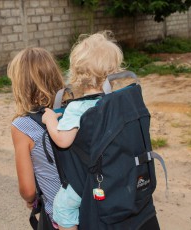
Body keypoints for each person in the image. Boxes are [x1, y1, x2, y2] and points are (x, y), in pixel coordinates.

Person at [42, 31, 124, 230]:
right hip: (114, 173)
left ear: (77, 73)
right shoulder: (116, 103)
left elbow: (63, 141)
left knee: (62, 206)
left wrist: (50, 120)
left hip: (86, 180)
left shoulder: (77, 108)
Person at [8, 47, 66, 229]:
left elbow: (28, 190)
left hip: (59, 216)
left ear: (19, 85)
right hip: (91, 207)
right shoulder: (73, 111)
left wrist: (31, 201)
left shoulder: (22, 126)